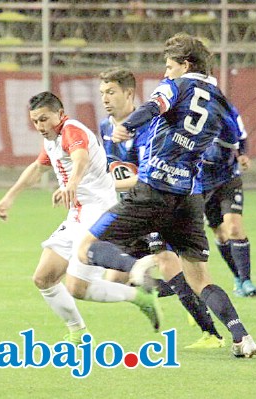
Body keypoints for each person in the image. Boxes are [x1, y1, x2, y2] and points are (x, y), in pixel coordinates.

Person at [77, 33, 256, 358]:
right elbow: (232, 142)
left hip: (153, 189)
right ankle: (242, 337)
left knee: (86, 249)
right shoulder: (221, 101)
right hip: (190, 198)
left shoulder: (177, 87)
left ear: (185, 65)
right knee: (201, 279)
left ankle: (136, 267)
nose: (165, 72)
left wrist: (128, 126)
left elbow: (153, 105)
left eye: (169, 66)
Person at [0, 91, 162, 345]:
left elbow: (79, 158)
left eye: (44, 119)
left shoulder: (72, 131)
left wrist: (71, 183)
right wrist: (9, 197)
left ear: (60, 114)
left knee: (77, 287)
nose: (40, 126)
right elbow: (37, 168)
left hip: (98, 210)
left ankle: (138, 291)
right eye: (35, 121)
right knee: (44, 278)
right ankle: (80, 331)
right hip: (77, 214)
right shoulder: (52, 139)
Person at [96, 66, 225, 349]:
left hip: (157, 203)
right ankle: (188, 294)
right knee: (116, 280)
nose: (105, 98)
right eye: (102, 92)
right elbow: (113, 169)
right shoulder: (106, 127)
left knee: (168, 262)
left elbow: (148, 176)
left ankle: (211, 334)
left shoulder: (150, 126)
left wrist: (104, 185)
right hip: (131, 209)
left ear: (129, 93)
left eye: (111, 92)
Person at [202, 107, 256, 297]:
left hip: (228, 177)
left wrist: (242, 154)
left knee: (234, 227)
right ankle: (237, 276)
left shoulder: (225, 109)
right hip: (202, 183)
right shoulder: (183, 107)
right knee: (220, 234)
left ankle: (247, 280)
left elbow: (241, 135)